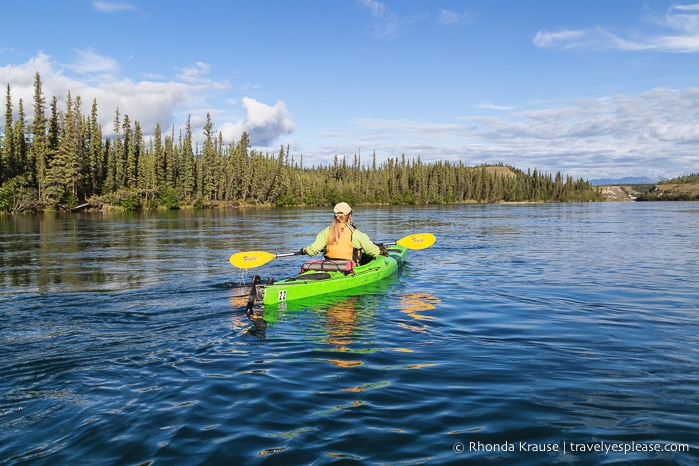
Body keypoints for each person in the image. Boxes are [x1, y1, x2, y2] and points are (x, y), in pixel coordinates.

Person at [300, 202, 387, 263]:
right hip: (349, 269)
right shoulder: (356, 233)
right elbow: (373, 251)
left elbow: (312, 251)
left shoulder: (326, 232)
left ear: (335, 216)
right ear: (350, 216)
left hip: (329, 266)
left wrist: (304, 250)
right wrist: (381, 251)